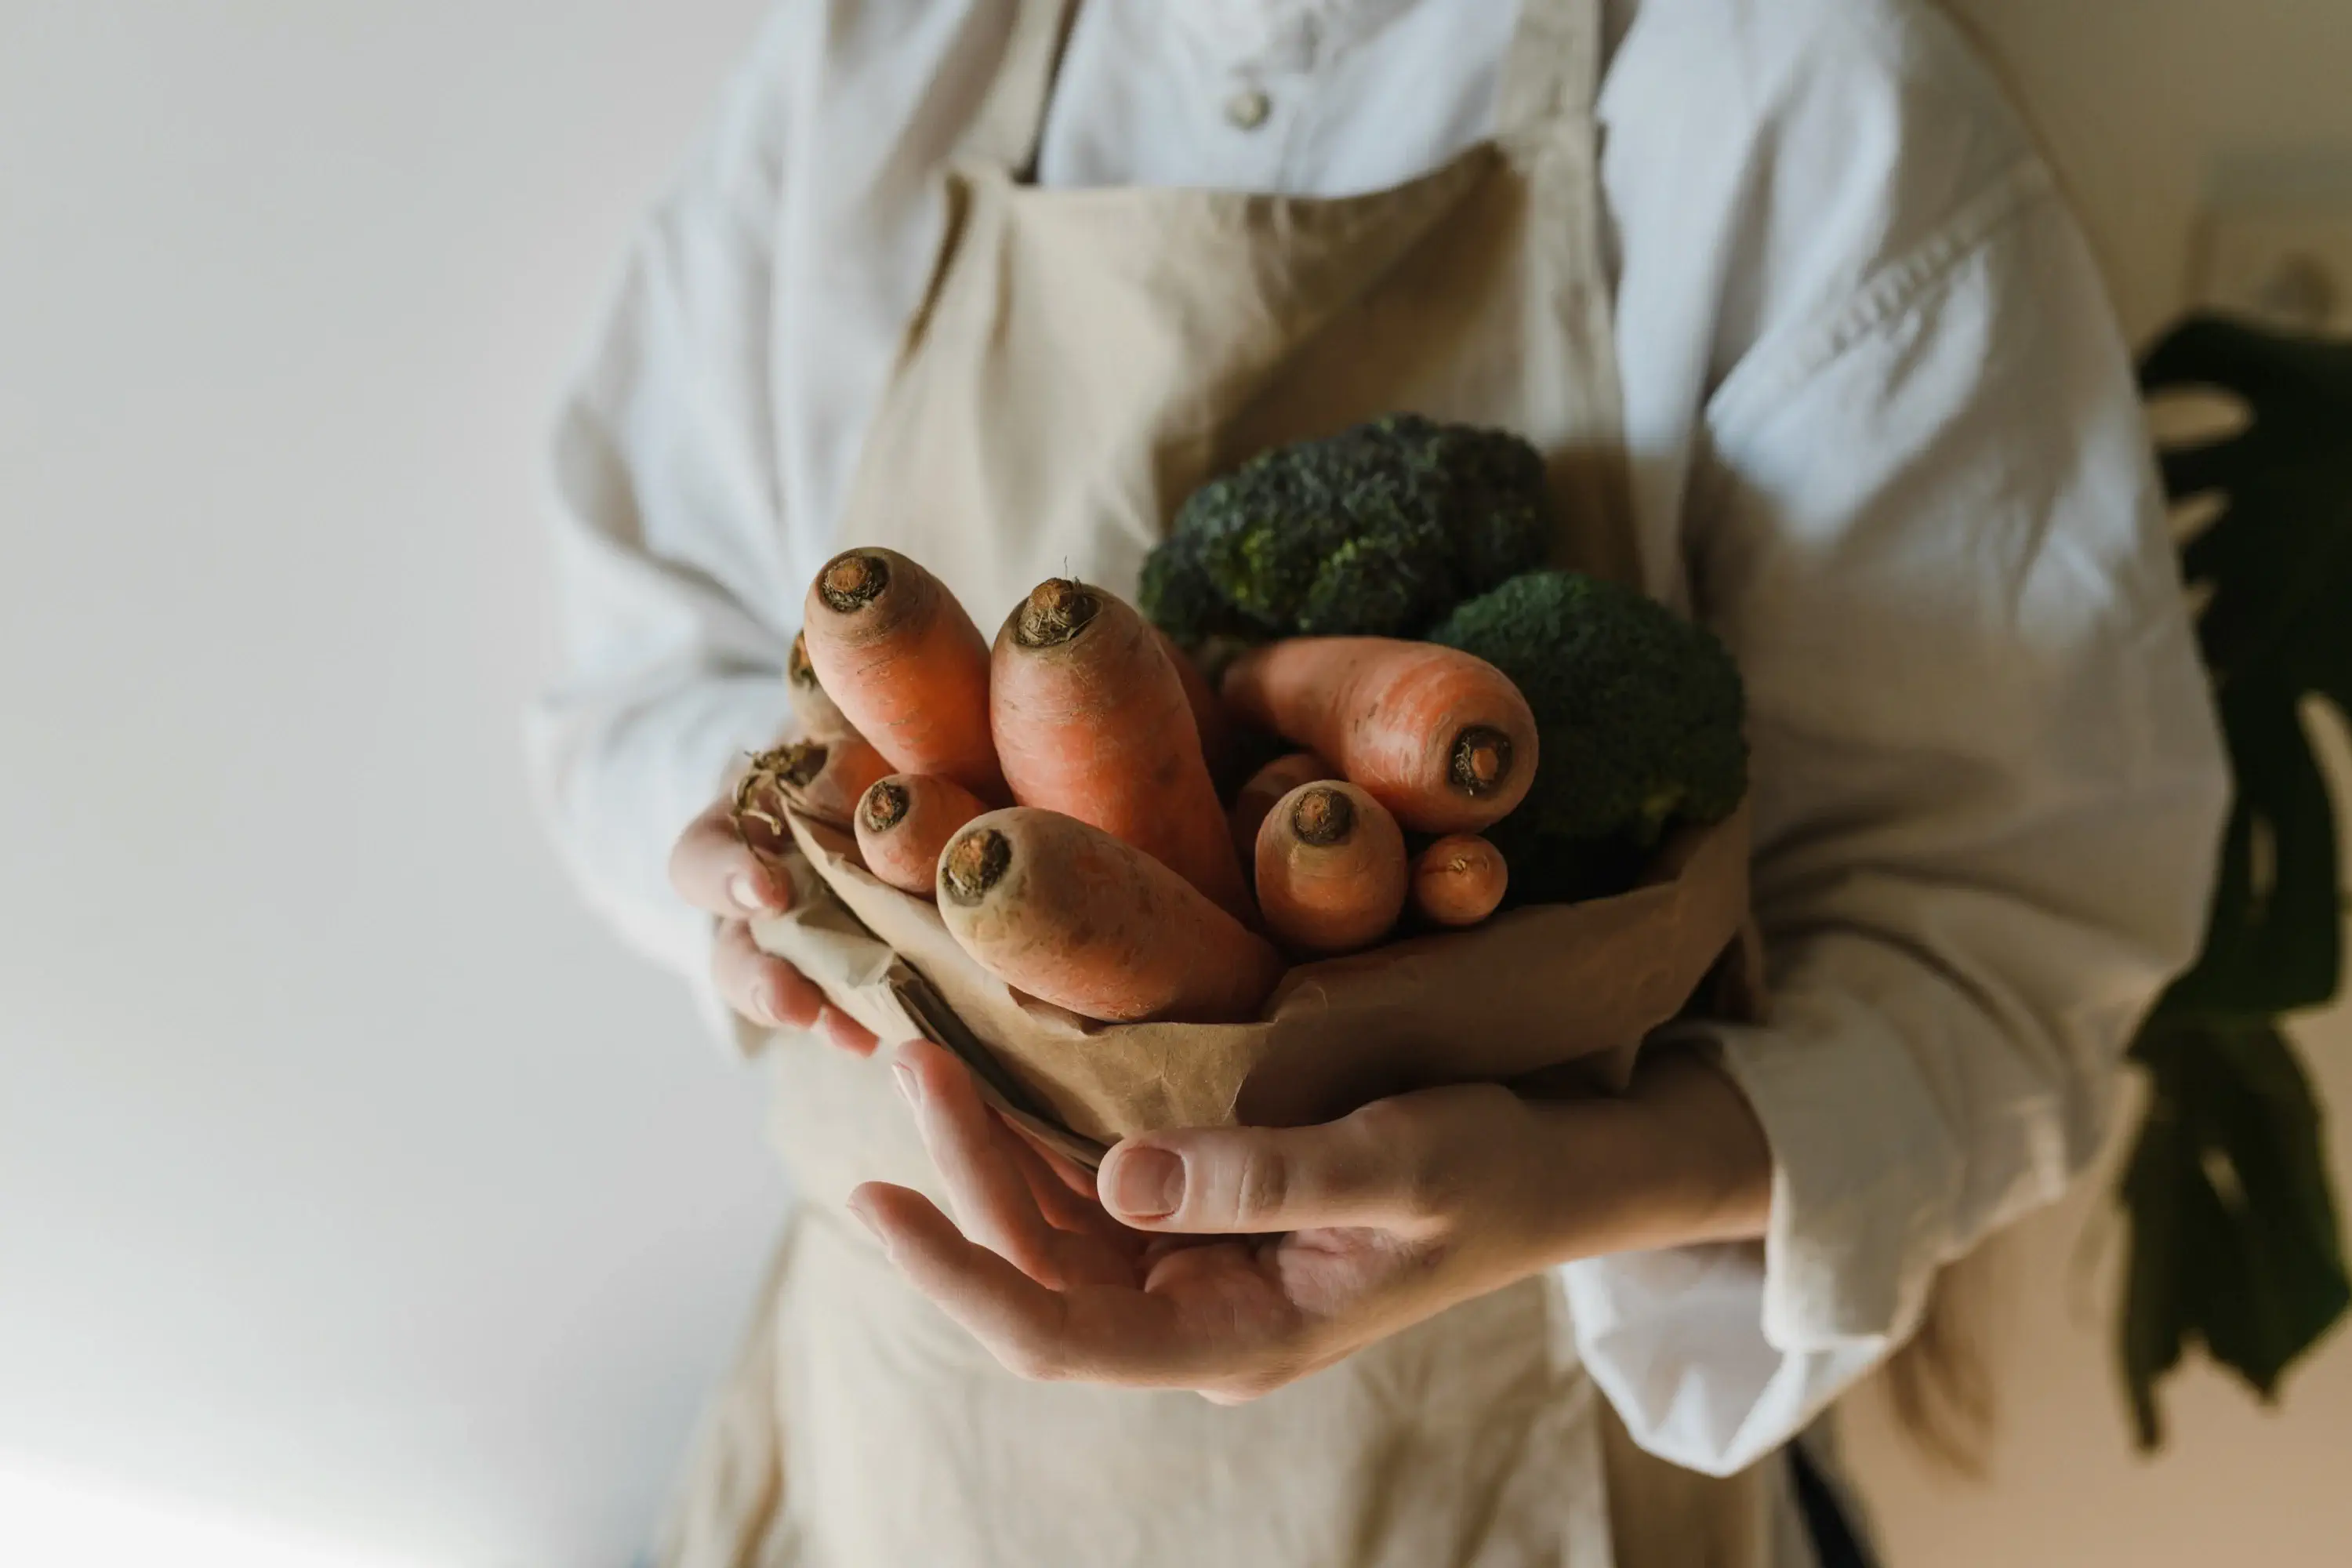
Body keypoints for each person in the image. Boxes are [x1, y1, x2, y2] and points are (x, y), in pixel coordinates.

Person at [525, 0, 2229, 1563]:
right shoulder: (877, 71)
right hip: (890, 1471)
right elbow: (631, 687)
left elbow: (2007, 948)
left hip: (1498, 1488)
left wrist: (1591, 1174)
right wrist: (780, 874)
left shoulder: (1805, 102)